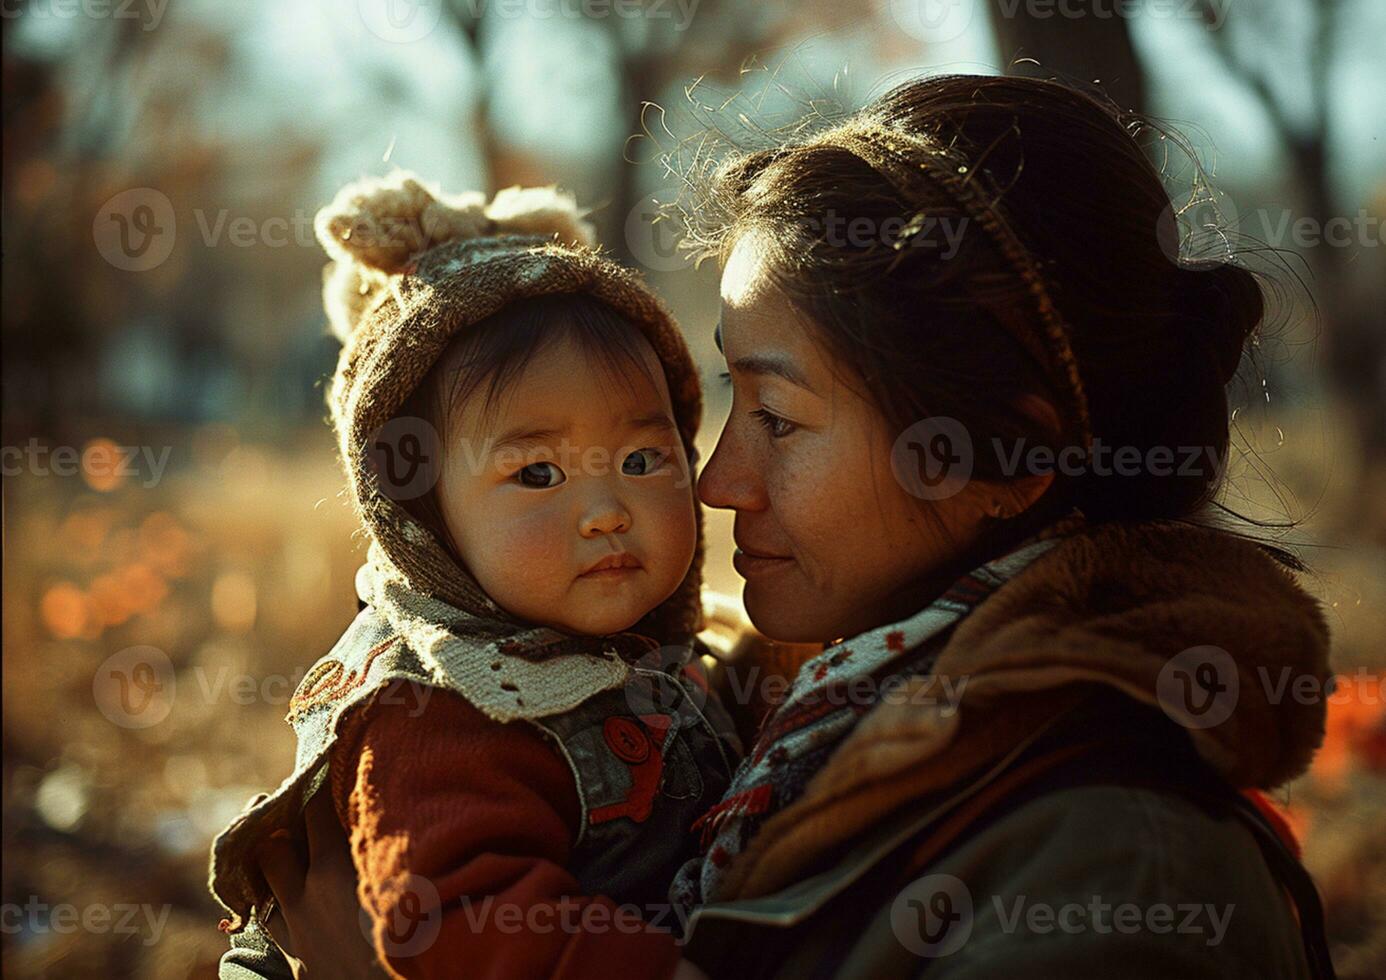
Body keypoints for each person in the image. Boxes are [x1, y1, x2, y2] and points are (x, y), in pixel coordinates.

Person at [255, 74, 1337, 978]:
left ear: (1007, 455)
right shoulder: (775, 704)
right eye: (726, 401)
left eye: (776, 415)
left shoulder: (1118, 879)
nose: (717, 480)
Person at [207, 171, 740, 980]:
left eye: (640, 459)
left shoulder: (671, 654)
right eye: (536, 475)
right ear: (421, 517)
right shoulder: (435, 711)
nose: (606, 511)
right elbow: (463, 923)